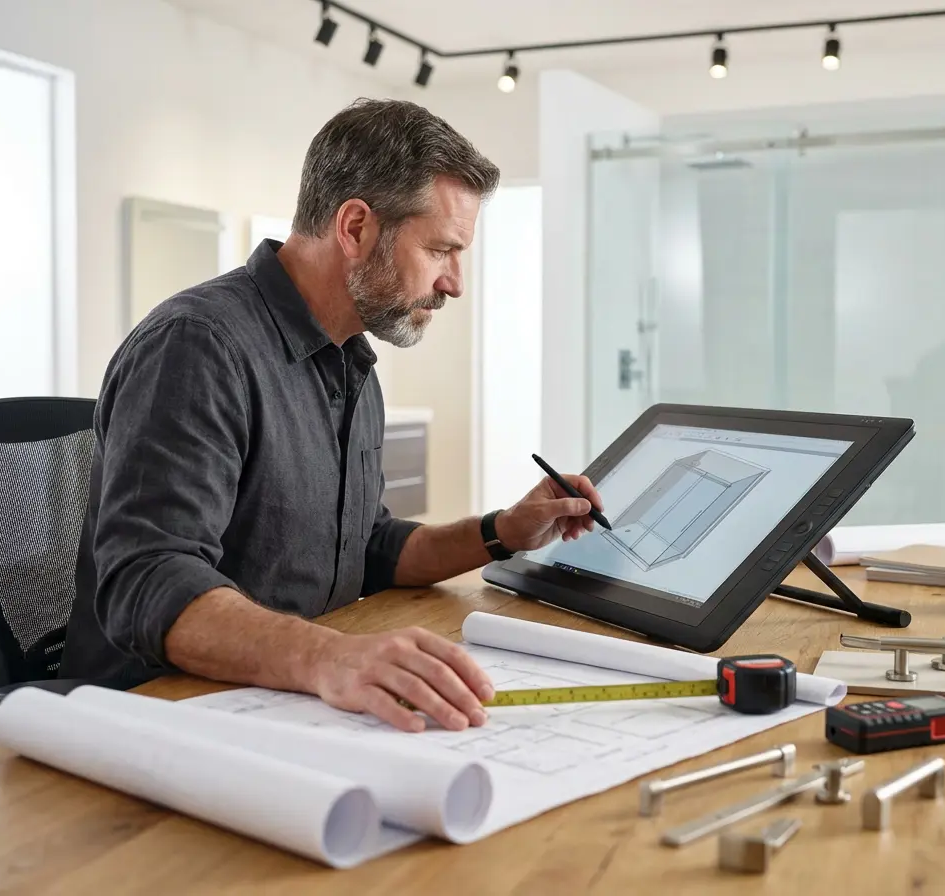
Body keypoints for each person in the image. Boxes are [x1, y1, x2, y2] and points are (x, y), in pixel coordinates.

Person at [62, 98, 603, 734]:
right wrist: (331, 657)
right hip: (155, 717)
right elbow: (148, 583)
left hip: (283, 703)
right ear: (354, 228)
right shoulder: (198, 346)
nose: (456, 283)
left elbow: (365, 546)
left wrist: (504, 531)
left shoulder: (349, 360)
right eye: (440, 250)